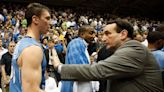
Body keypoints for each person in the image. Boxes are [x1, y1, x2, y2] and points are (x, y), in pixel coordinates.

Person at [54, 19, 164, 92]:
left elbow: (99, 70)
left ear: (123, 34)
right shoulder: (121, 51)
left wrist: (59, 67)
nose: (103, 38)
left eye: (108, 34)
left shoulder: (135, 49)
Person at [9, 3, 55, 92]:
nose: (50, 22)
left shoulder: (22, 43)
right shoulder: (33, 49)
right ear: (35, 19)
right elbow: (31, 90)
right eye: (47, 18)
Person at [61, 25, 96, 92]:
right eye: (91, 33)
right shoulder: (76, 43)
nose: (94, 36)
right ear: (82, 34)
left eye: (94, 33)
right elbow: (80, 70)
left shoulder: (83, 45)